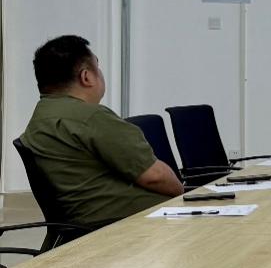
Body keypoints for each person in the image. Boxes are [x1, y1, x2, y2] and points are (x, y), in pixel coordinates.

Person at [21, 35, 183, 229]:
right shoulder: (90, 117)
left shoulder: (41, 116)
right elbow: (155, 177)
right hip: (128, 226)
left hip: (91, 224)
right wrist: (183, 194)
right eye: (97, 67)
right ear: (86, 77)